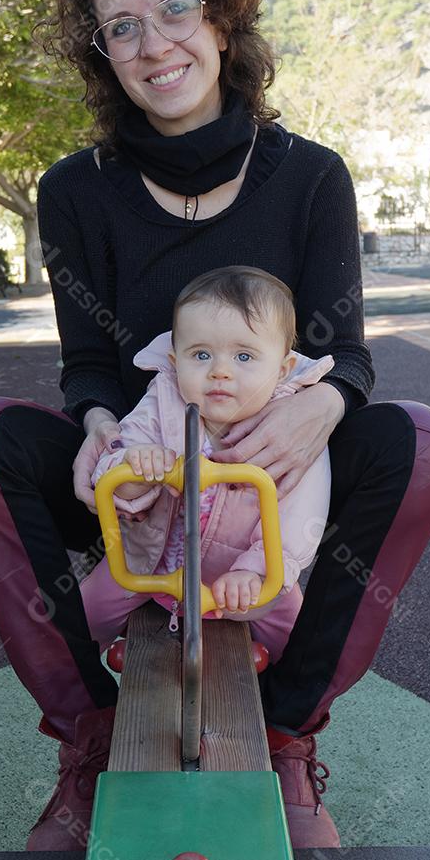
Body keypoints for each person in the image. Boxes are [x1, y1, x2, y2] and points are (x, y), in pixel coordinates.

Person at [0, 0, 430, 854]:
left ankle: (290, 731)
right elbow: (90, 364)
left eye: (175, 10)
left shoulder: (308, 176)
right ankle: (90, 734)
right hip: (143, 470)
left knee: (415, 440)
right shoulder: (73, 188)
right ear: (102, 52)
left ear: (220, 19)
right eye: (120, 26)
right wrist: (96, 424)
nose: (152, 43)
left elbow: (350, 350)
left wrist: (323, 409)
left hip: (272, 470)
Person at [82, 264, 336, 661]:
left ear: (282, 368)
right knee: (82, 618)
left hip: (246, 576)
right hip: (151, 565)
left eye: (244, 356)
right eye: (201, 354)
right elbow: (113, 475)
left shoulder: (289, 427)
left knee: (303, 642)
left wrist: (257, 571)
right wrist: (134, 466)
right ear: (175, 357)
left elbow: (302, 513)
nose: (219, 371)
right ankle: (84, 696)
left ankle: (288, 711)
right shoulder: (163, 400)